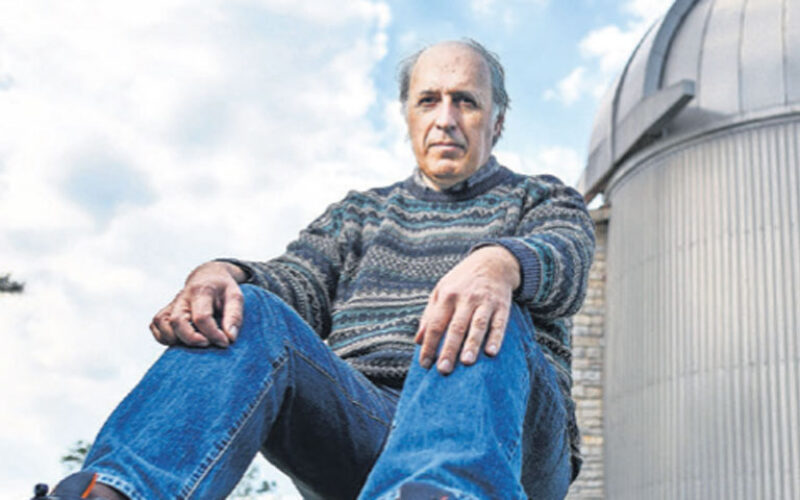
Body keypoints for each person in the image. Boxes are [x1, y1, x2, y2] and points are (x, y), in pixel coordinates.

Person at [34, 39, 594, 500]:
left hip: (507, 433)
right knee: (246, 307)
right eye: (429, 101)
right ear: (408, 115)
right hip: (364, 422)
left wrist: (498, 263)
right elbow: (295, 282)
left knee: (480, 306)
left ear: (497, 121)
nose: (445, 119)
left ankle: (445, 492)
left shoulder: (540, 198)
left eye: (466, 102)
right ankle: (121, 491)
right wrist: (220, 274)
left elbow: (566, 256)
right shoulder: (359, 215)